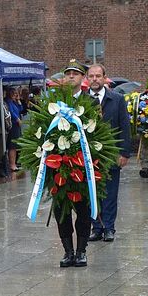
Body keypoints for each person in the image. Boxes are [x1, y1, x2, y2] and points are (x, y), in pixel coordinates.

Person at [87, 63, 132, 244]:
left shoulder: (117, 99)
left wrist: (125, 153)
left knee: (110, 192)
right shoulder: (82, 100)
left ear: (105, 78)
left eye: (98, 76)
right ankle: (96, 227)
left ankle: (109, 227)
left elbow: (125, 127)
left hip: (111, 154)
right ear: (87, 79)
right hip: (89, 154)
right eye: (91, 76)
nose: (95, 79)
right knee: (92, 192)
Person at [53, 62, 92, 266]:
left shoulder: (89, 102)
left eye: (75, 74)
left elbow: (97, 131)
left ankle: (81, 250)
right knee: (62, 210)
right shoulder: (54, 102)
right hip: (58, 166)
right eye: (67, 73)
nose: (70, 77)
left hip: (83, 165)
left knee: (83, 210)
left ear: (82, 78)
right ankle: (68, 251)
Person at [7, 87, 24, 172]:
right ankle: (12, 164)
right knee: (12, 146)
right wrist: (17, 118)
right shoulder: (8, 102)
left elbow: (21, 109)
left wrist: (18, 100)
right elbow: (11, 112)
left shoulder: (14, 102)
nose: (15, 94)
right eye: (13, 93)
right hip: (13, 124)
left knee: (16, 145)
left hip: (17, 125)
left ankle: (15, 163)